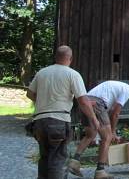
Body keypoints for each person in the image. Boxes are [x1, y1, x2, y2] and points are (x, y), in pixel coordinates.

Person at [26, 45, 100, 179]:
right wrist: (94, 119)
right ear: (70, 59)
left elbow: (30, 93)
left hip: (39, 121)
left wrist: (44, 102)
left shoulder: (42, 72)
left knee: (44, 157)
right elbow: (83, 101)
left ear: (56, 57)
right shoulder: (72, 74)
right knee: (58, 159)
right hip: (59, 120)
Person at [68, 80, 129, 178]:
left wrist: (109, 128)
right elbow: (115, 114)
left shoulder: (118, 86)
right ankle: (100, 171)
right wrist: (113, 132)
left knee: (90, 135)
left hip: (85, 102)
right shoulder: (127, 90)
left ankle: (74, 162)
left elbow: (109, 113)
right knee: (107, 137)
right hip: (98, 103)